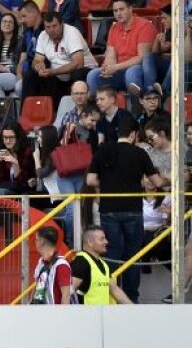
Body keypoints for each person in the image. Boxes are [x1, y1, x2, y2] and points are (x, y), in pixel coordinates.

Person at [86, 113, 162, 302]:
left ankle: (110, 297)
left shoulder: (104, 150)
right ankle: (131, 299)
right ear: (134, 134)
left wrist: (109, 184)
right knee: (133, 256)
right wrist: (171, 178)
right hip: (133, 210)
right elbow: (157, 182)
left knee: (111, 254)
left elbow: (90, 180)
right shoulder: (139, 153)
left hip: (108, 209)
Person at [86, 0, 158, 96]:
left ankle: (138, 104)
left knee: (131, 73)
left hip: (138, 69)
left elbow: (142, 58)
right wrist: (107, 68)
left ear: (130, 9)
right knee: (93, 75)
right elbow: (111, 56)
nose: (118, 13)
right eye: (115, 11)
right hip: (119, 70)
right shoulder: (114, 28)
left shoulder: (145, 26)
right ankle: (97, 105)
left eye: (121, 9)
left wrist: (116, 67)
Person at [29, 11, 95, 103]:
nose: (51, 30)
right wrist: (38, 66)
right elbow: (37, 59)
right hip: (58, 75)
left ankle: (82, 108)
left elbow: (79, 63)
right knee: (31, 75)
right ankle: (33, 108)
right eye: (48, 27)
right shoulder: (43, 35)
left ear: (61, 24)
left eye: (54, 26)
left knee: (77, 73)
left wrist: (54, 72)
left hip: (84, 70)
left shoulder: (72, 33)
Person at [71, 225, 134, 304]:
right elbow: (69, 291)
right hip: (86, 312)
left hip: (101, 312)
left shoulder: (103, 264)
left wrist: (133, 308)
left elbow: (115, 290)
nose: (106, 242)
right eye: (102, 239)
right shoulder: (81, 262)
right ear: (90, 242)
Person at [30, 226, 72, 305]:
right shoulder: (41, 262)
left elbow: (66, 296)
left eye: (36, 239)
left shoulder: (61, 265)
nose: (35, 242)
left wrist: (63, 313)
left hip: (54, 311)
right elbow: (37, 288)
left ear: (42, 242)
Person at [0, 122, 37, 194]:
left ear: (18, 137)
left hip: (22, 190)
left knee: (10, 188)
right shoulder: (0, 151)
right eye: (5, 137)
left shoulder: (27, 152)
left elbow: (22, 181)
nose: (8, 141)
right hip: (5, 189)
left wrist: (15, 163)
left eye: (11, 137)